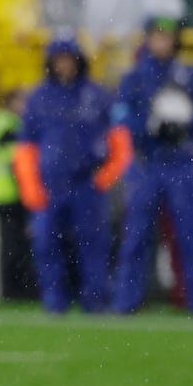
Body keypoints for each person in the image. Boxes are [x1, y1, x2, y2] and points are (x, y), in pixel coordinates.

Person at [14, 35, 120, 313]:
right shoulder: (39, 98)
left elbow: (119, 141)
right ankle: (54, 301)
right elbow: (26, 147)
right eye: (59, 59)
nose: (64, 65)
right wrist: (31, 186)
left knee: (94, 245)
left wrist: (105, 176)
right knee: (47, 244)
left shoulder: (96, 95)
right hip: (51, 183)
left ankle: (95, 300)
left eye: (68, 58)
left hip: (87, 183)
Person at [110, 18, 193, 313]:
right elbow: (121, 117)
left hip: (182, 163)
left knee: (190, 235)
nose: (163, 42)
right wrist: (149, 127)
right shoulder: (135, 77)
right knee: (136, 235)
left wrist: (182, 126)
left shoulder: (187, 75)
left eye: (167, 36)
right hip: (148, 162)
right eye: (157, 36)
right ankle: (127, 302)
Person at [0, 88, 37, 301]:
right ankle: (12, 290)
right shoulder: (6, 122)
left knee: (15, 244)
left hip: (11, 193)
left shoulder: (7, 121)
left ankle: (16, 289)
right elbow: (15, 154)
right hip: (6, 193)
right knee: (12, 245)